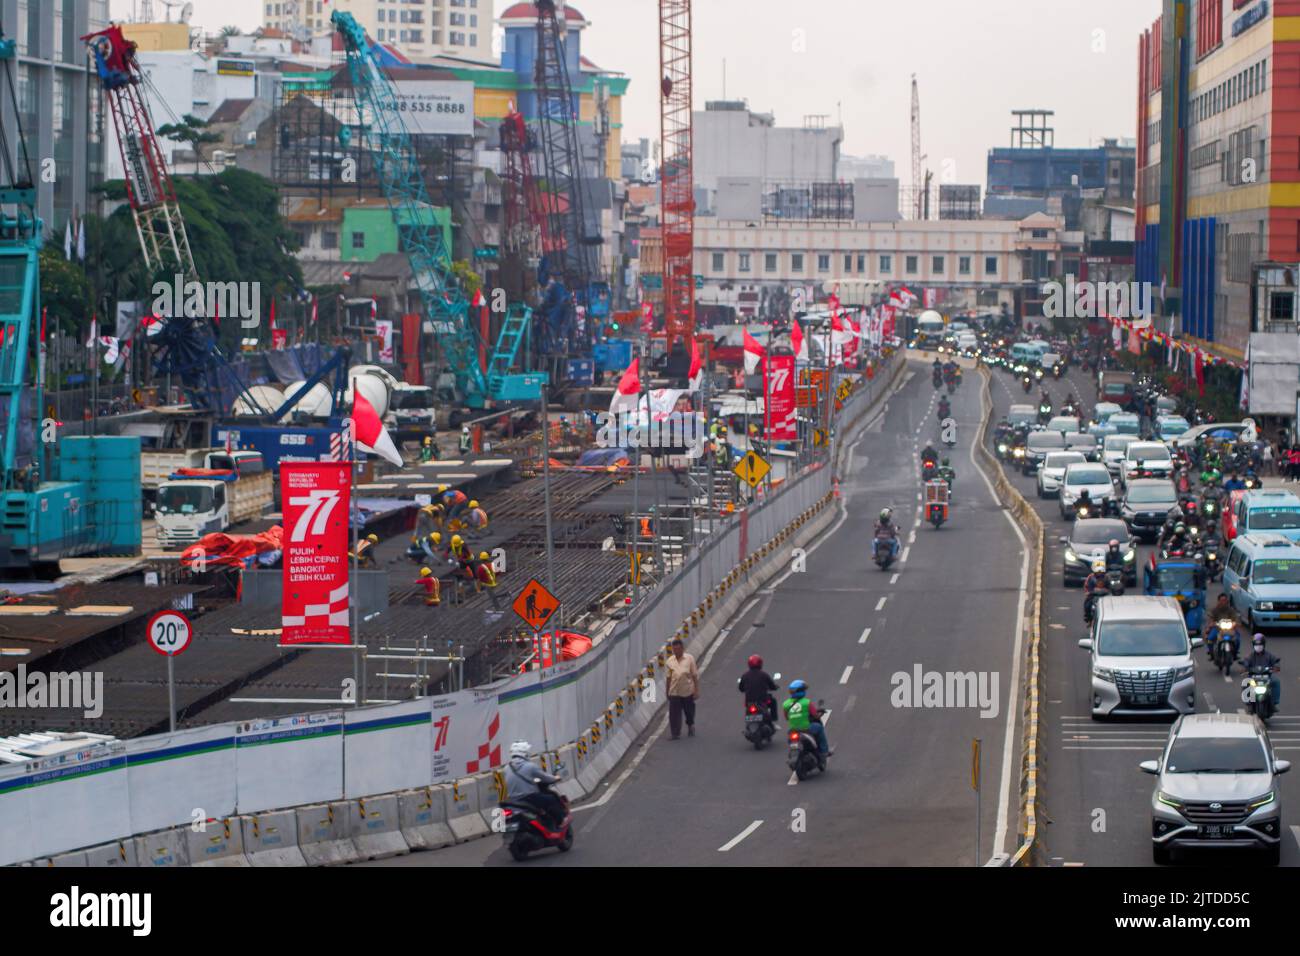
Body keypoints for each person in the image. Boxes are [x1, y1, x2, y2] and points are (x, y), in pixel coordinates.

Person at [504, 740, 564, 826]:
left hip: (512, 800)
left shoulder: (506, 768)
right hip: (529, 798)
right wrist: (555, 778)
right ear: (525, 753)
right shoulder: (530, 766)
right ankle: (559, 823)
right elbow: (546, 778)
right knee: (551, 799)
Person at [782, 679, 832, 758]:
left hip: (793, 730)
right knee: (819, 728)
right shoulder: (807, 702)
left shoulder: (785, 704)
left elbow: (787, 717)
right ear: (801, 691)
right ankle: (824, 751)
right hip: (806, 729)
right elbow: (815, 716)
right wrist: (820, 714)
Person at [665, 637, 700, 739]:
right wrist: (667, 691)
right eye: (674, 649)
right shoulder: (670, 661)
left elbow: (694, 675)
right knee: (674, 715)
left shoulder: (689, 659)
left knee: (689, 711)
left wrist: (696, 690)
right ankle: (675, 733)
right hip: (674, 691)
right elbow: (668, 678)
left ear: (682, 648)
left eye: (678, 649)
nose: (676, 651)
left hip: (687, 690)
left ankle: (690, 725)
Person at [1238, 635, 1282, 710]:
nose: (1258, 646)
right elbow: (1245, 662)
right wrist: (1244, 668)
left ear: (1264, 645)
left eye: (1260, 645)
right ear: (1253, 645)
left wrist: (1276, 667)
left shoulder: (1269, 655)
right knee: (1245, 683)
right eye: (1256, 645)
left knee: (1276, 681)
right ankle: (1249, 704)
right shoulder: (1250, 656)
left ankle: (1274, 702)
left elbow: (1275, 662)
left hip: (1267, 677)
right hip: (1253, 677)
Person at [738, 654, 779, 723]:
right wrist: (775, 687)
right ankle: (773, 718)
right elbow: (772, 686)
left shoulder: (745, 676)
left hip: (749, 703)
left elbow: (741, 688)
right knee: (773, 701)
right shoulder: (764, 675)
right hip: (762, 701)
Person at [1082, 559, 1108, 624]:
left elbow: (1110, 586)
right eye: (1097, 570)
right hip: (1093, 595)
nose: (1099, 571)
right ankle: (1088, 617)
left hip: (1104, 596)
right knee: (1087, 604)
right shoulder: (1090, 577)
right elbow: (1086, 586)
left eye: (1100, 570)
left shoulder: (1107, 577)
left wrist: (1107, 591)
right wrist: (1088, 592)